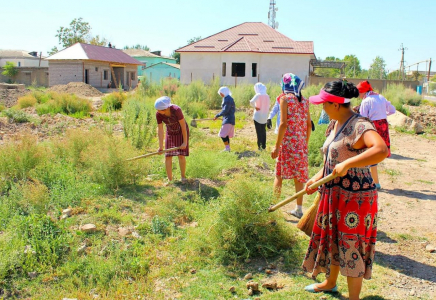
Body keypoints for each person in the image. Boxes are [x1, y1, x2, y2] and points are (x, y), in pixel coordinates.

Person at [302, 80, 388, 300]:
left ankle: (353, 298)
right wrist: (315, 179)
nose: (321, 107)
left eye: (324, 103)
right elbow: (331, 160)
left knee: (351, 246)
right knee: (333, 240)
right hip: (333, 194)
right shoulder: (334, 124)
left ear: (336, 104)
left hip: (355, 199)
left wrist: (349, 164)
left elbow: (381, 150)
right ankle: (330, 283)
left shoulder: (360, 124)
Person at [271, 73, 312, 218]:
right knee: (299, 177)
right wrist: (304, 143)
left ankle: (273, 207)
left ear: (284, 84)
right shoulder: (305, 101)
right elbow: (308, 125)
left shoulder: (285, 99)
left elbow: (283, 124)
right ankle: (299, 209)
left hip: (287, 144)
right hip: (300, 146)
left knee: (279, 174)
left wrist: (276, 146)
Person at [357, 80, 396, 190]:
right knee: (377, 152)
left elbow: (362, 117)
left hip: (372, 126)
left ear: (363, 92)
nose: (358, 95)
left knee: (370, 153)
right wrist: (382, 114)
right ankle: (374, 180)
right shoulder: (381, 97)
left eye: (359, 93)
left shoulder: (366, 101)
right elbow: (392, 110)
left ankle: (375, 182)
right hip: (383, 125)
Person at [155, 96, 189, 184]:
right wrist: (160, 147)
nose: (158, 111)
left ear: (166, 108)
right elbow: (160, 130)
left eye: (160, 110)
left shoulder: (177, 110)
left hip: (181, 131)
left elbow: (183, 126)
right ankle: (170, 180)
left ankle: (183, 177)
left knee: (181, 155)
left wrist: (185, 142)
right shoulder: (158, 114)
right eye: (157, 110)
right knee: (168, 156)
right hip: (170, 132)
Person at [250, 83, 271, 150]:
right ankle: (264, 146)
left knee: (258, 132)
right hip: (264, 116)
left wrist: (255, 107)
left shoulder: (258, 95)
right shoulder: (267, 96)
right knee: (263, 131)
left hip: (258, 116)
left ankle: (260, 146)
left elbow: (251, 102)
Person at [214, 86, 236, 152]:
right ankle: (228, 149)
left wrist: (217, 115)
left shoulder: (227, 99)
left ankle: (227, 148)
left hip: (228, 119)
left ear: (224, 92)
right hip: (229, 118)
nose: (220, 94)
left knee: (222, 134)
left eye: (221, 93)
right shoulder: (227, 98)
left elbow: (225, 110)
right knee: (226, 135)